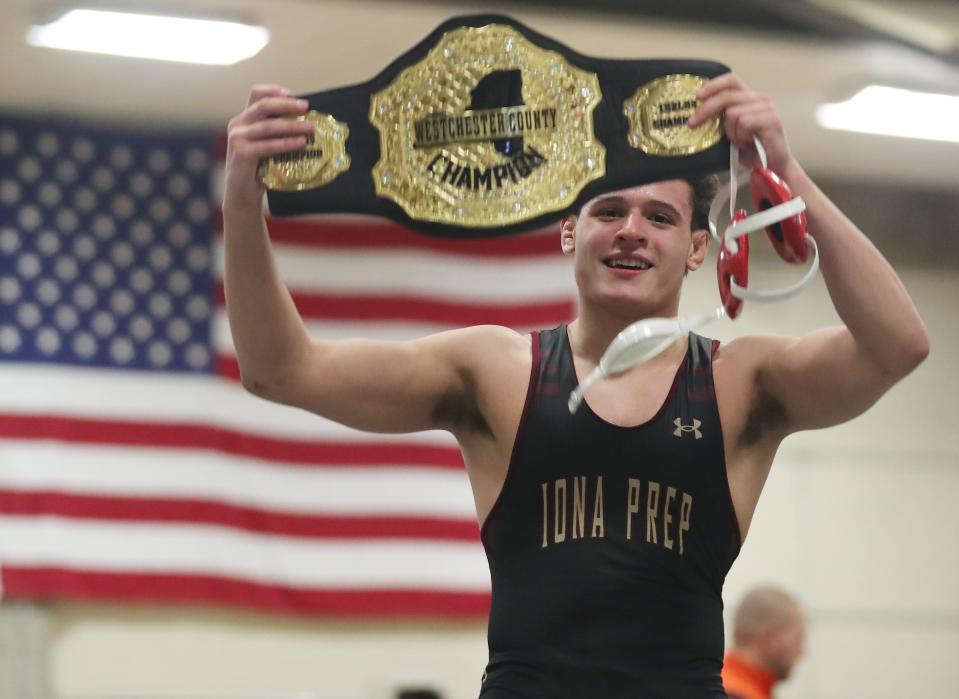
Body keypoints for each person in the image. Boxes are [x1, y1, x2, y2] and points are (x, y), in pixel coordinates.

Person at [222, 73, 928, 698]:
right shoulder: (495, 371)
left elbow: (897, 345)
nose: (631, 232)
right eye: (608, 211)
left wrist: (785, 173)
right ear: (568, 232)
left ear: (696, 249)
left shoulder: (739, 382)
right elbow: (280, 370)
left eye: (660, 217)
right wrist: (243, 194)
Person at [722, 586, 806, 699]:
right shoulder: (735, 694)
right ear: (771, 639)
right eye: (797, 640)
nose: (802, 652)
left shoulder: (716, 684)